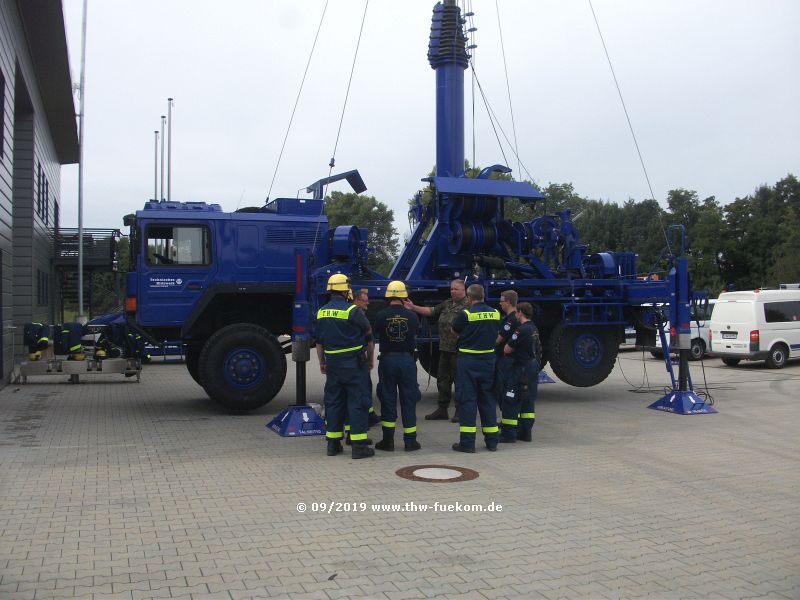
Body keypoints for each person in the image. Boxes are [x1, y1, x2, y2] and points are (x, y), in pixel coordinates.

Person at [315, 274, 374, 459]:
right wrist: (370, 359)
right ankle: (358, 447)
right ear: (345, 290)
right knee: (357, 402)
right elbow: (368, 332)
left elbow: (319, 343)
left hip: (332, 365)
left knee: (333, 402)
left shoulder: (321, 312)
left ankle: (333, 445)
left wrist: (322, 363)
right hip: (354, 365)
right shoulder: (352, 311)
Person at [403, 279, 468, 422]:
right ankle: (442, 409)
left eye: (455, 289)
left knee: (460, 381)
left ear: (464, 290)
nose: (452, 291)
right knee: (443, 380)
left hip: (459, 351)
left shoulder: (468, 305)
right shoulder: (447, 303)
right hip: (445, 349)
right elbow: (431, 311)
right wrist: (413, 307)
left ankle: (460, 410)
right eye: (451, 289)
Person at [450, 284, 500, 453]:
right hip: (488, 361)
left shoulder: (466, 314)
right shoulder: (495, 313)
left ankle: (467, 443)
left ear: (470, 298)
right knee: (488, 400)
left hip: (468, 361)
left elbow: (454, 330)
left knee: (467, 401)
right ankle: (492, 442)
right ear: (483, 296)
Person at [374, 281, 422, 452]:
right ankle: (410, 442)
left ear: (388, 295)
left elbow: (375, 334)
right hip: (407, 361)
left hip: (387, 360)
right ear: (403, 296)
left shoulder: (380, 315)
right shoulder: (413, 316)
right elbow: (416, 332)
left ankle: (388, 441)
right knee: (409, 400)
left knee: (388, 399)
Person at [501, 302, 541, 443]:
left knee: (511, 400)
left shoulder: (521, 330)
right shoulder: (533, 328)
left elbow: (507, 349)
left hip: (520, 368)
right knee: (528, 400)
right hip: (532, 367)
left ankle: (508, 434)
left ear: (520, 313)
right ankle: (526, 432)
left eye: (517, 313)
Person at [352, 289, 381, 429]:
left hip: (341, 360)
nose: (368, 303)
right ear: (356, 300)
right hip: (358, 359)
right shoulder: (358, 315)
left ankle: (369, 415)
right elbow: (369, 340)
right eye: (365, 300)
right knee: (363, 388)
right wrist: (370, 360)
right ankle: (364, 419)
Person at [494, 290, 519, 407]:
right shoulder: (514, 318)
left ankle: (507, 418)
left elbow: (498, 339)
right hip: (512, 359)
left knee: (504, 388)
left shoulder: (511, 320)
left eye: (501, 301)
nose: (500, 303)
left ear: (508, 302)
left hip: (507, 360)